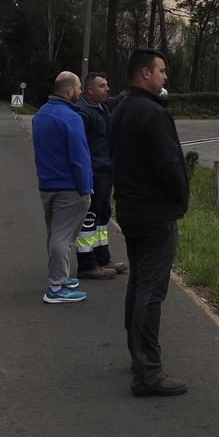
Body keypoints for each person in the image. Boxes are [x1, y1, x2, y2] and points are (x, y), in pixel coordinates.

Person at [110, 48, 190, 397]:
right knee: (151, 290)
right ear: (145, 73)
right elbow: (168, 166)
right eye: (161, 70)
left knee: (140, 281)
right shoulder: (153, 114)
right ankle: (149, 372)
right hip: (155, 213)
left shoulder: (121, 108)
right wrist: (181, 197)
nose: (165, 76)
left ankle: (138, 357)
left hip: (130, 209)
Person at [32, 71, 94, 304]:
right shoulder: (71, 118)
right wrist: (86, 187)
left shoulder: (40, 115)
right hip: (69, 188)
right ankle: (56, 287)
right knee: (64, 237)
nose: (79, 92)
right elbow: (80, 157)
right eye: (78, 88)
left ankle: (62, 277)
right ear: (69, 91)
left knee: (54, 234)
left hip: (46, 185)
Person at [73, 72, 126, 279]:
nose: (107, 89)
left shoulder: (103, 106)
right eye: (102, 86)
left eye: (107, 85)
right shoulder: (83, 113)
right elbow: (80, 148)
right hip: (93, 172)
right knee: (90, 216)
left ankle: (103, 259)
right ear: (89, 90)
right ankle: (87, 264)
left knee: (103, 215)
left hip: (106, 170)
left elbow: (120, 98)